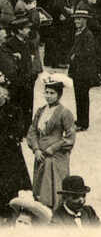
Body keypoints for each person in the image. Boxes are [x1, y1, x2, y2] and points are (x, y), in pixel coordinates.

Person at [26, 79, 75, 209]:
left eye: (52, 93)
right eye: (46, 92)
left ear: (59, 95)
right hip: (40, 155)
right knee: (40, 185)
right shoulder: (40, 111)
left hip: (56, 157)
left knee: (53, 186)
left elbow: (70, 137)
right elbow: (32, 131)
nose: (48, 96)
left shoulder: (65, 112)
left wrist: (53, 148)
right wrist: (36, 149)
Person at [0, 82, 32, 222]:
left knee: (9, 183)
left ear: (7, 96)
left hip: (9, 154)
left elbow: (18, 132)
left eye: (2, 95)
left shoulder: (14, 111)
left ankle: (8, 211)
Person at [68, 10, 97, 131]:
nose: (76, 21)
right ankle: (80, 119)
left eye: (79, 19)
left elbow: (89, 52)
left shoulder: (88, 35)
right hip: (78, 70)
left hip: (84, 71)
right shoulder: (79, 33)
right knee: (78, 96)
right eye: (75, 19)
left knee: (82, 97)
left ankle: (83, 122)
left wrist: (76, 55)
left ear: (85, 20)